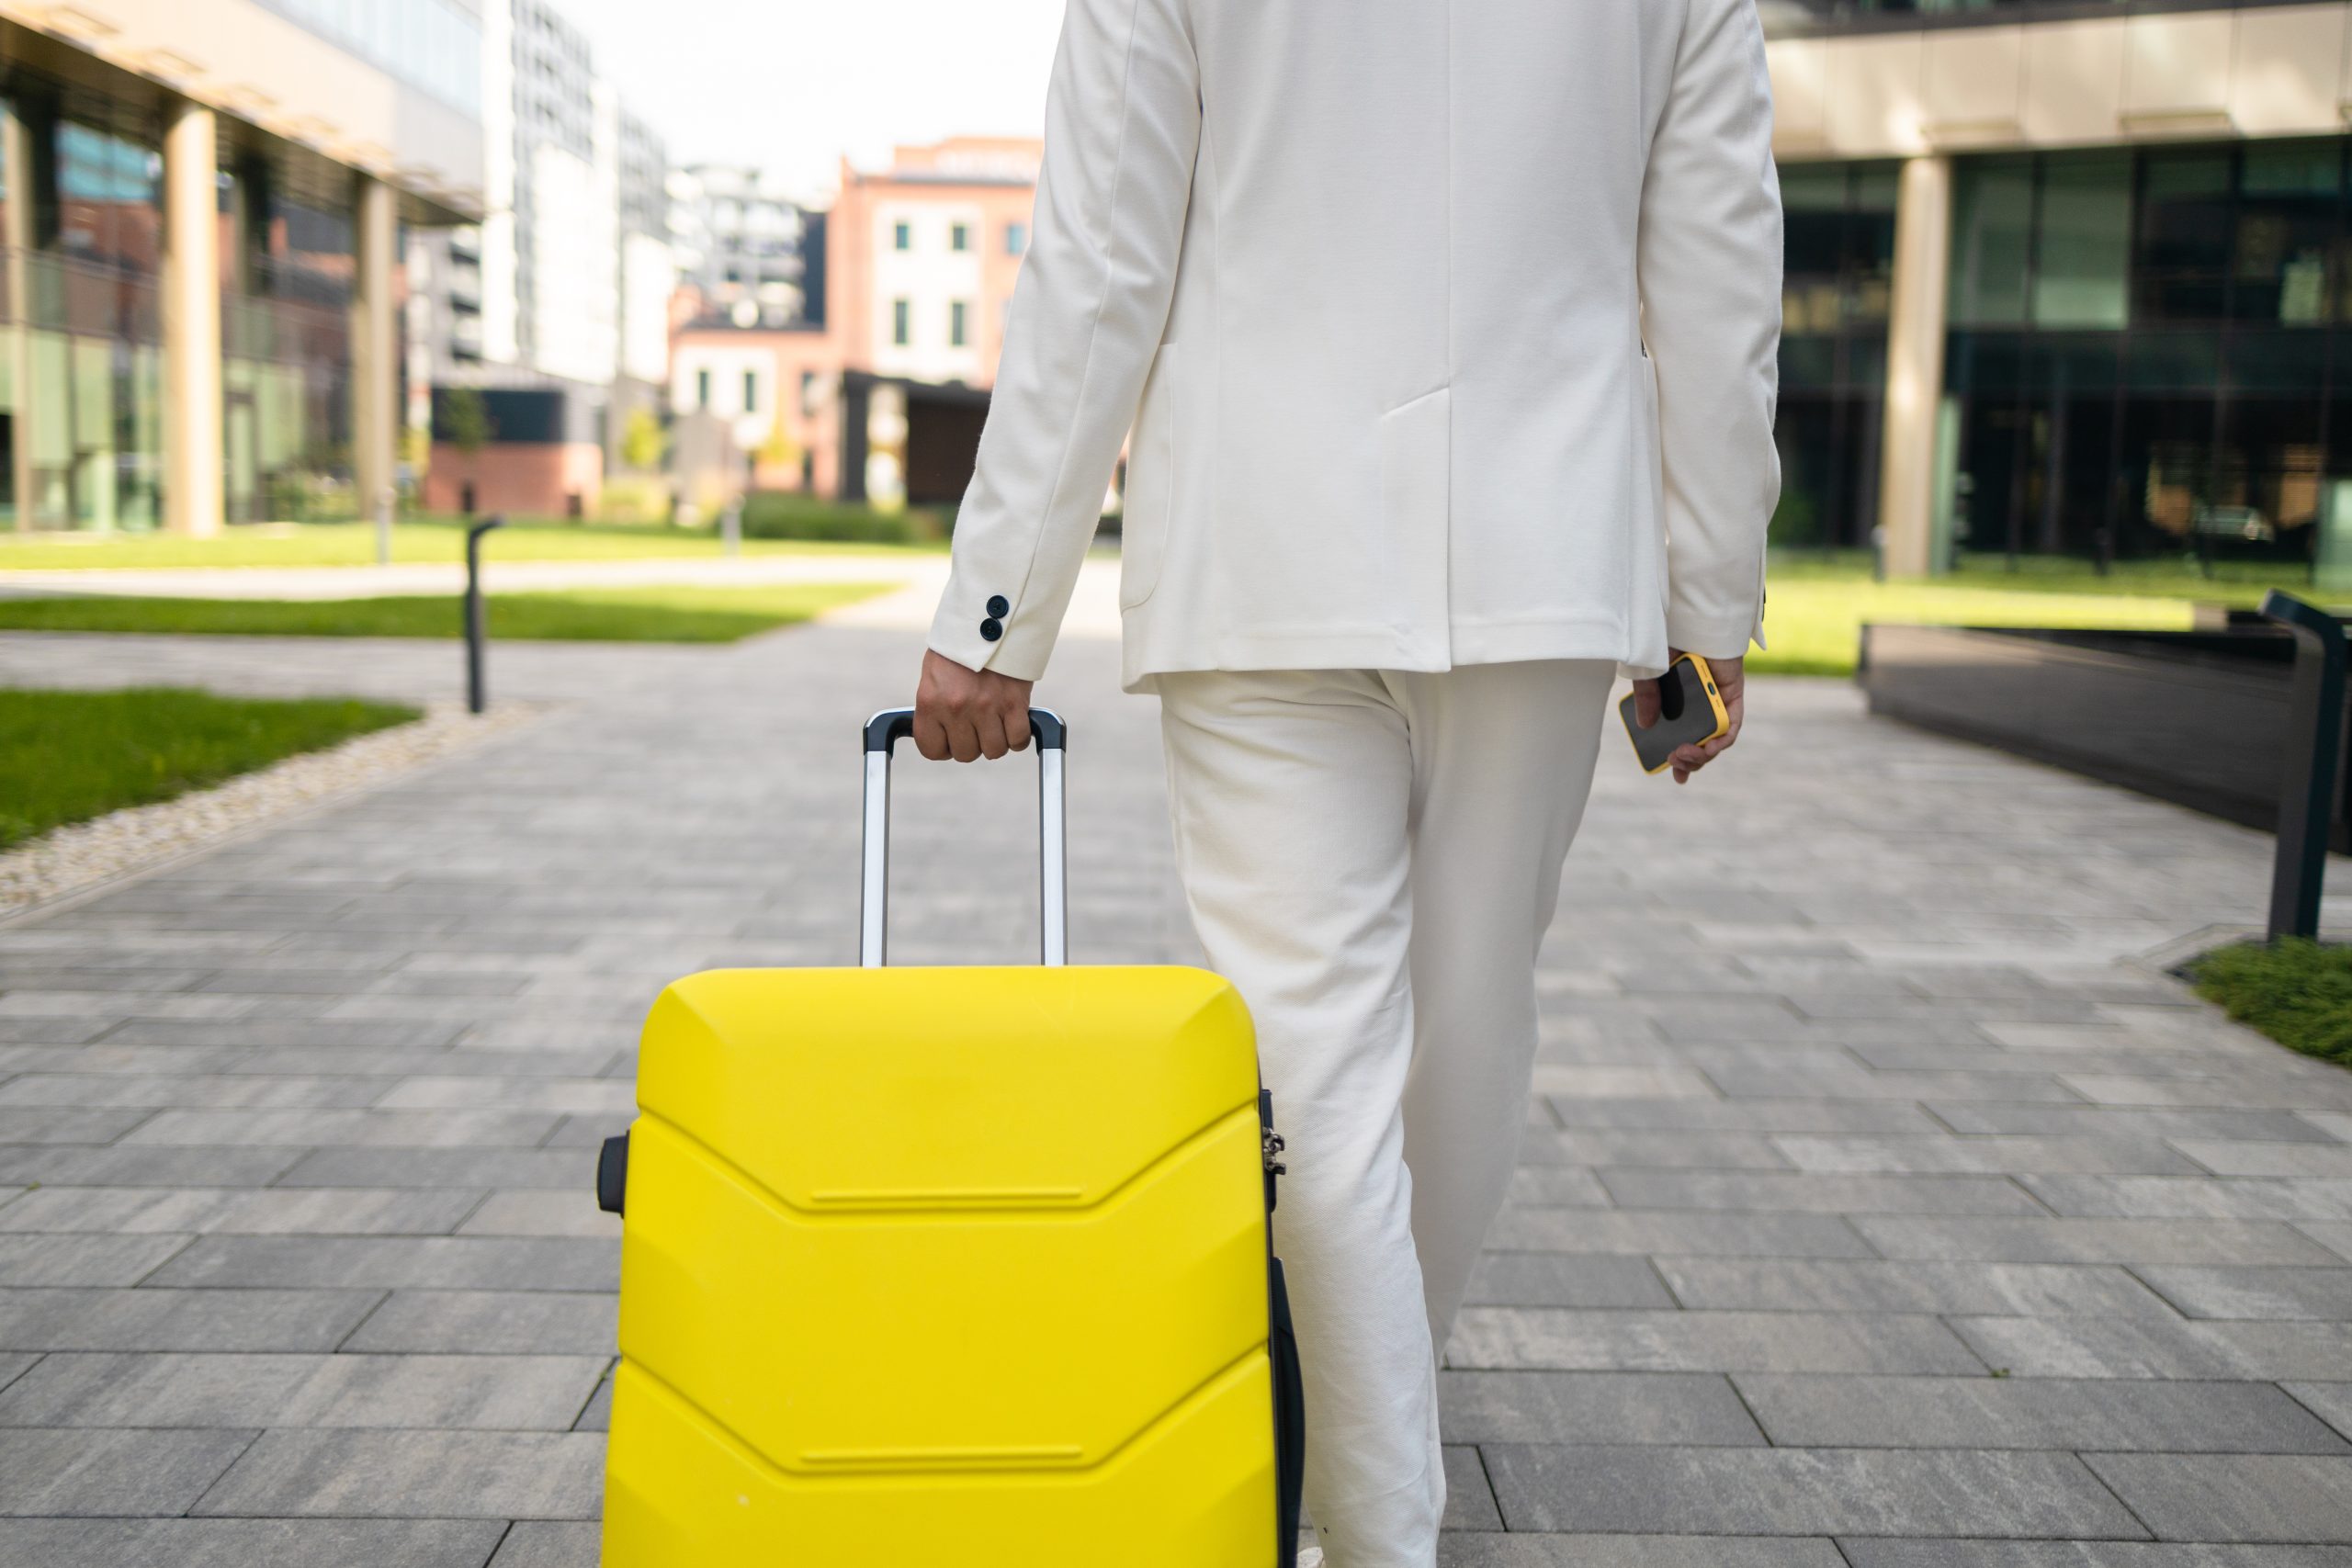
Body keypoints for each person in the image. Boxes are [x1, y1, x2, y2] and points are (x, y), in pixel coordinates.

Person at [910, 0, 1780, 1560]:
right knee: (1467, 1043)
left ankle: (1366, 1505)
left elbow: (1101, 266)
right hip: (1542, 546)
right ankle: (1370, 1507)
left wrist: (996, 616)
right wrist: (1706, 608)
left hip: (1267, 544)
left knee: (1314, 1072)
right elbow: (1719, 283)